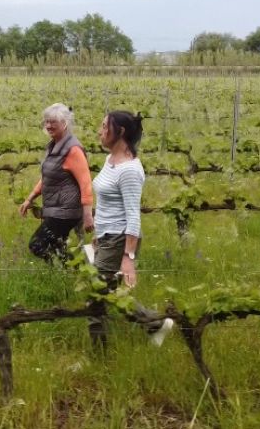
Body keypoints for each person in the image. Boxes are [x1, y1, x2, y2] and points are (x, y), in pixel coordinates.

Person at [88, 110, 173, 348]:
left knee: (96, 297)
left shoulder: (130, 171)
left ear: (120, 132)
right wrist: (98, 232)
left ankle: (99, 358)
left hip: (119, 239)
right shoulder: (110, 160)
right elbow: (106, 203)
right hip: (107, 236)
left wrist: (128, 257)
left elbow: (133, 216)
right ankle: (154, 322)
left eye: (104, 126)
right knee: (107, 293)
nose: (100, 131)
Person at [18, 103, 93, 263]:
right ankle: (71, 276)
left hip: (66, 211)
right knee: (57, 246)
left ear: (65, 123)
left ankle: (76, 270)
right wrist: (30, 198)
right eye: (46, 121)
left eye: (53, 122)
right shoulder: (54, 145)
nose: (48, 126)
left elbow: (85, 183)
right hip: (57, 208)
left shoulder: (73, 149)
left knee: (37, 244)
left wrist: (87, 215)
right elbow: (48, 176)